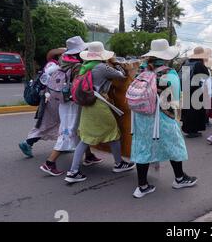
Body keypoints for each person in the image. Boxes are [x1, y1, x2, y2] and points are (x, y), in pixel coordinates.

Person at [130, 39, 197, 198]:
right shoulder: (169, 73)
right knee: (174, 144)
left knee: (143, 147)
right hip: (162, 116)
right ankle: (179, 178)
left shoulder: (141, 71)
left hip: (141, 115)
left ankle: (142, 186)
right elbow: (174, 97)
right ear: (166, 56)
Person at [65, 41, 135, 183]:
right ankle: (118, 163)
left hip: (87, 105)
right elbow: (121, 76)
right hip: (98, 105)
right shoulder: (101, 67)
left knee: (85, 138)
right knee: (113, 132)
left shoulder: (85, 67)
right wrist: (118, 64)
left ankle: (73, 171)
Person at [40, 36, 102, 176]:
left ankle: (89, 155)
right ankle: (50, 163)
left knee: (79, 128)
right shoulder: (77, 66)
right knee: (68, 132)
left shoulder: (64, 60)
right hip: (72, 104)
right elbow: (81, 84)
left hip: (63, 102)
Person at [18, 51, 64, 157]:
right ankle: (28, 143)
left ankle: (63, 145)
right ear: (58, 56)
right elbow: (52, 82)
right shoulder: (53, 66)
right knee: (48, 124)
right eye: (63, 55)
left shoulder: (53, 65)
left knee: (56, 123)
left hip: (51, 99)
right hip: (51, 99)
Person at [181, 47, 210, 138]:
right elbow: (206, 75)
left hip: (186, 89)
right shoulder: (199, 64)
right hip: (195, 90)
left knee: (187, 110)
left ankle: (187, 129)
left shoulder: (186, 62)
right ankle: (193, 130)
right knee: (195, 111)